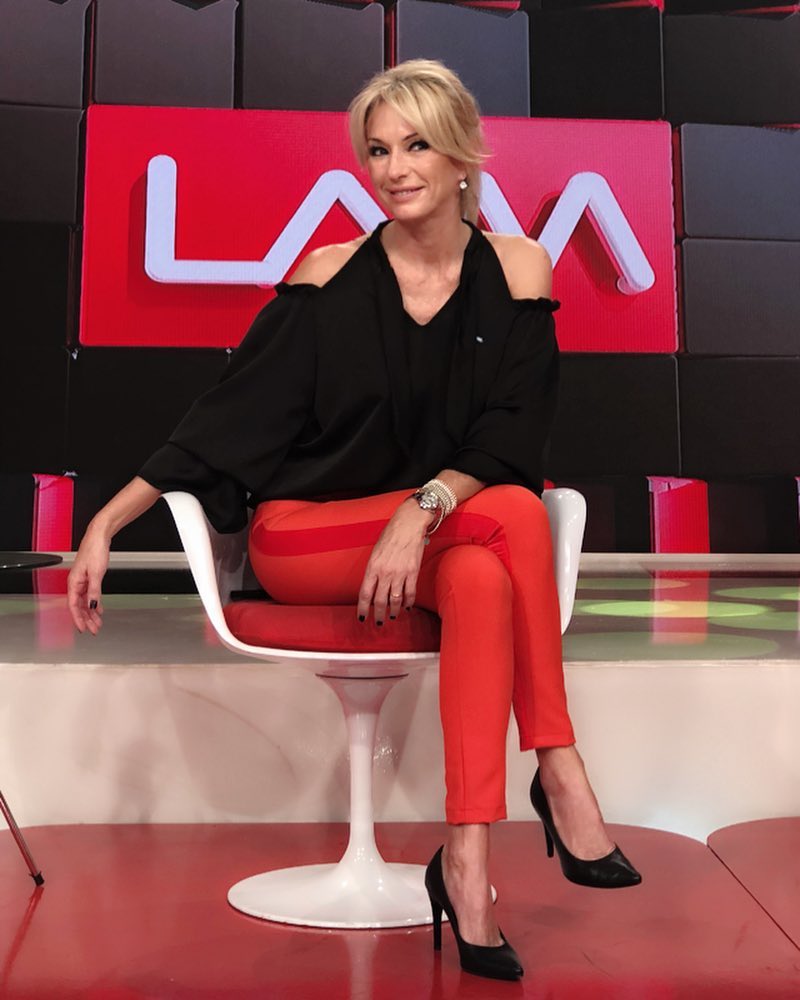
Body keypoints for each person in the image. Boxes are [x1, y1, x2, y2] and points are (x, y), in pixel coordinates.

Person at [67, 59, 640, 982]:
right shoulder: (329, 275)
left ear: (461, 156)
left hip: (440, 538)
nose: (394, 168)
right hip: (307, 538)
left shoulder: (518, 270)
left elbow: (515, 431)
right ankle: (560, 768)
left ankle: (467, 862)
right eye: (377, 150)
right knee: (509, 514)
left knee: (484, 566)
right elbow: (228, 417)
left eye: (416, 145)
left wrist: (421, 509)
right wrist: (108, 519)